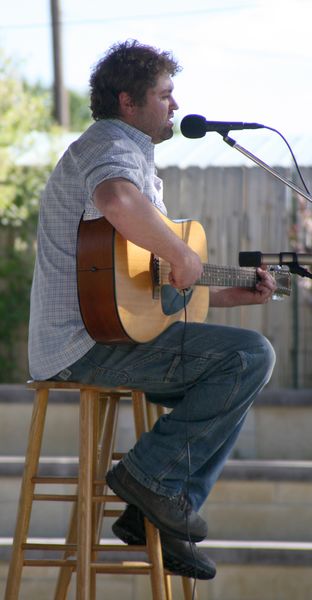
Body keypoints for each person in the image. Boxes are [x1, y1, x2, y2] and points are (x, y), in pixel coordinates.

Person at [28, 39, 276, 580]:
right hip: (86, 345)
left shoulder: (126, 152)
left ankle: (155, 515)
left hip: (108, 336)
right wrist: (181, 250)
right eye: (165, 95)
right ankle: (150, 482)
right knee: (248, 358)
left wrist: (230, 290)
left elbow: (151, 286)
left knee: (232, 377)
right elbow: (117, 202)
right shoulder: (109, 146)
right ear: (128, 102)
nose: (175, 104)